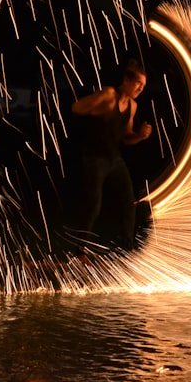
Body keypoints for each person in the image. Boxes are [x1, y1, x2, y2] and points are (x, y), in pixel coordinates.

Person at [70, 59, 152, 251]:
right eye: (138, 83)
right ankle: (80, 250)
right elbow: (76, 108)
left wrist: (139, 136)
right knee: (93, 205)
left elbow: (126, 138)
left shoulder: (132, 106)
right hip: (95, 158)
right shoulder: (108, 94)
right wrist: (95, 110)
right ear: (126, 80)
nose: (140, 89)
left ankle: (128, 248)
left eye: (143, 86)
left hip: (114, 159)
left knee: (128, 202)